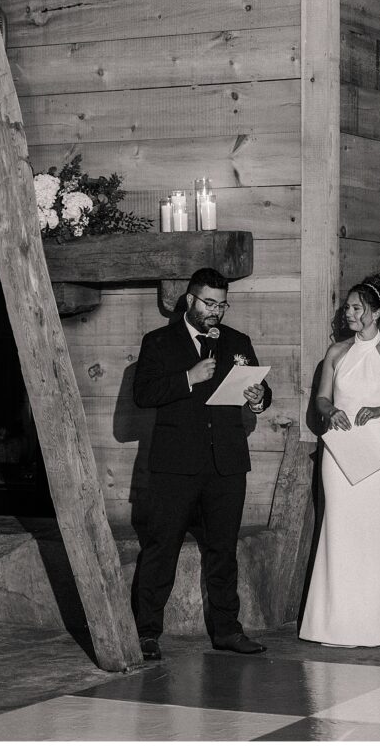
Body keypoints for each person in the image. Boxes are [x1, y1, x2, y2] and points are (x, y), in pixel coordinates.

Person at [133, 267, 271, 660]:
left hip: (226, 464)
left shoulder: (237, 341)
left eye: (222, 305)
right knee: (161, 549)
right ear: (190, 300)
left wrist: (259, 398)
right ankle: (146, 633)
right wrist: (188, 378)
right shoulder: (159, 342)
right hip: (175, 465)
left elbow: (263, 391)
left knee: (223, 551)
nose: (215, 311)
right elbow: (143, 394)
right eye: (209, 303)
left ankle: (227, 630)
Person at [299, 272, 380, 648]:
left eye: (356, 308)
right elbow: (321, 398)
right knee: (338, 527)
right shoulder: (336, 353)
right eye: (347, 308)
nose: (348, 314)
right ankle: (335, 625)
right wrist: (329, 409)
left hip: (376, 450)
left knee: (374, 530)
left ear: (376, 313)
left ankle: (379, 624)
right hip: (339, 448)